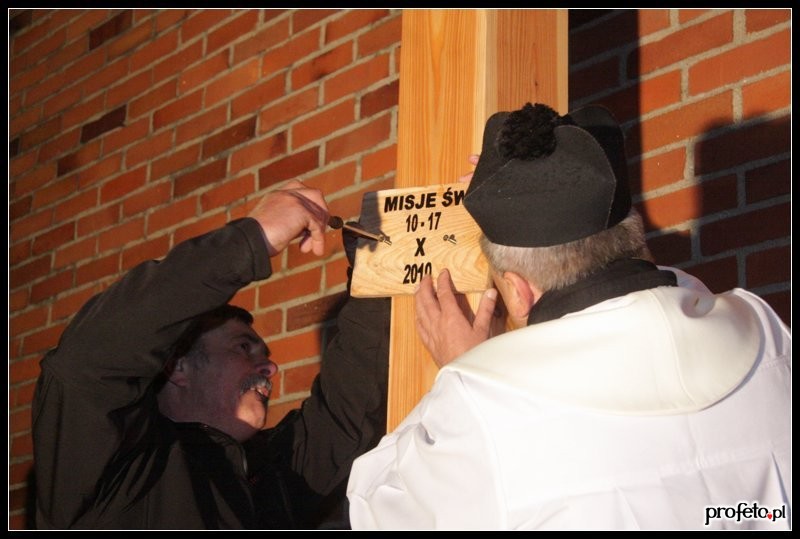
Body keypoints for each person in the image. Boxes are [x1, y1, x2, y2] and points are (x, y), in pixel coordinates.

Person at [346, 103, 792, 530]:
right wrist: (546, 194)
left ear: (517, 292)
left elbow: (375, 509)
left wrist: (462, 368)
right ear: (635, 239)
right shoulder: (764, 329)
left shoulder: (481, 406)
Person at [32, 179, 391, 529]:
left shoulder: (271, 473)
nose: (270, 367)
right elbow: (89, 360)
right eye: (242, 347)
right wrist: (252, 238)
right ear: (177, 367)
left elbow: (345, 412)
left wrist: (376, 277)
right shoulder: (116, 473)